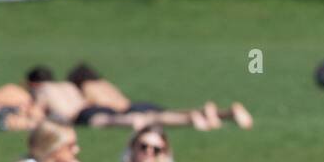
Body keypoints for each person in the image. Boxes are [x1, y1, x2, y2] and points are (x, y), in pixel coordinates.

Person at [67, 63, 253, 131]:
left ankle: (192, 120)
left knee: (156, 119)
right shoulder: (104, 83)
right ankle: (225, 114)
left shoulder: (86, 86)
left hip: (121, 111)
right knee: (167, 112)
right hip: (134, 104)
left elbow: (98, 104)